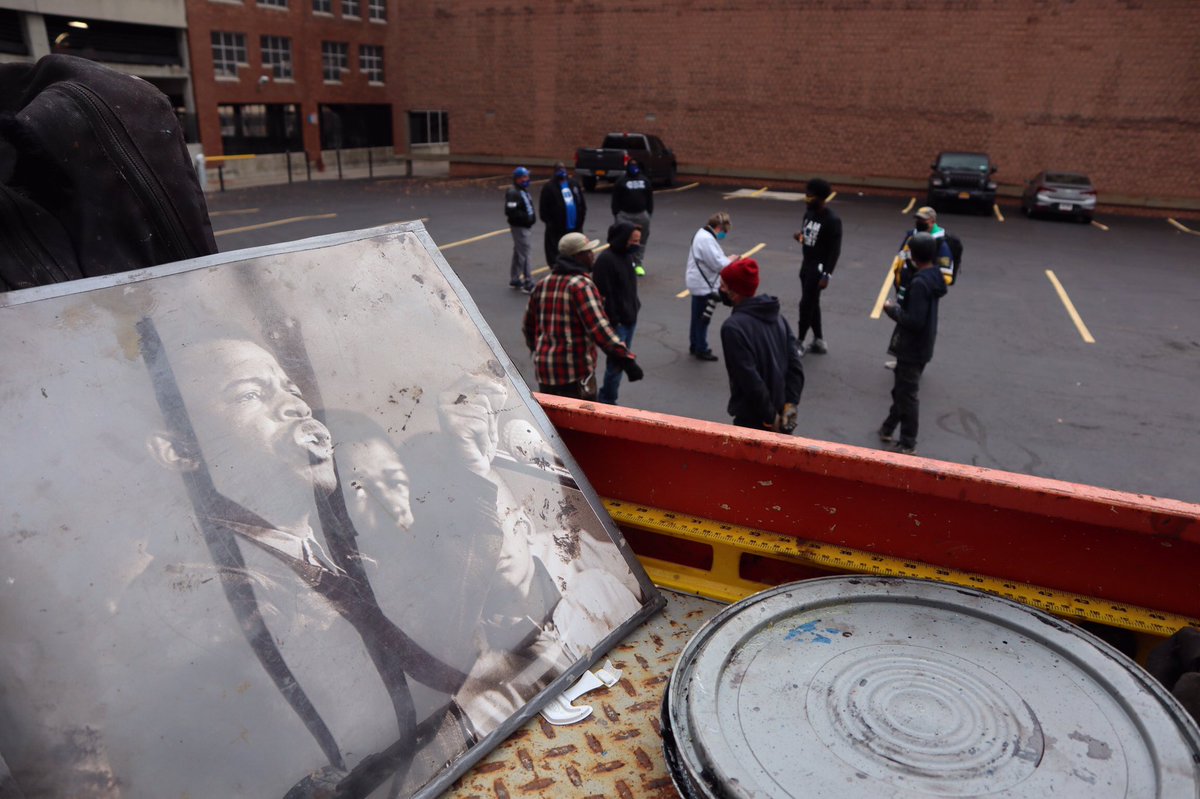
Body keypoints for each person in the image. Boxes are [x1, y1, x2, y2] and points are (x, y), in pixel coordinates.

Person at [138, 331, 518, 795]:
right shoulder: (199, 590)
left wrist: (472, 471)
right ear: (180, 450)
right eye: (251, 394)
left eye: (292, 389)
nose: (295, 407)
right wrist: (471, 483)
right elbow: (388, 698)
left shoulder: (330, 549)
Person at [522, 232, 644, 399]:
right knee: (578, 421)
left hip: (546, 372)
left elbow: (528, 325)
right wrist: (627, 360)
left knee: (552, 421)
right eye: (588, 252)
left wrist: (538, 349)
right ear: (577, 256)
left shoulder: (543, 284)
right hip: (574, 374)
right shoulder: (581, 286)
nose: (592, 255)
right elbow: (599, 329)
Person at [717, 258, 805, 432]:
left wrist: (772, 419)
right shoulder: (779, 319)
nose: (720, 289)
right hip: (781, 414)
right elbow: (795, 367)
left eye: (723, 285)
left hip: (754, 420)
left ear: (735, 292)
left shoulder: (733, 328)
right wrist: (790, 408)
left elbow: (749, 379)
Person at [878, 232, 947, 454]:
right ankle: (888, 427)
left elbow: (914, 320)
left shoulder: (919, 283)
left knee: (907, 395)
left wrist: (892, 310)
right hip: (924, 346)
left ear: (914, 255)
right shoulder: (935, 276)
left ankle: (908, 443)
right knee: (901, 390)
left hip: (912, 347)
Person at [885, 206, 955, 369]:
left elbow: (945, 276)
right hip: (907, 288)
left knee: (915, 324)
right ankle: (900, 359)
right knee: (903, 322)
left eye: (922, 219)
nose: (918, 222)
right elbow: (901, 257)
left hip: (921, 290)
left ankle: (914, 363)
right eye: (917, 219)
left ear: (932, 221)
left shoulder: (939, 243)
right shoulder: (912, 237)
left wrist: (921, 278)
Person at [592, 222, 642, 404]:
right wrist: (615, 320)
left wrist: (635, 306)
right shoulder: (606, 261)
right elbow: (604, 295)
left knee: (619, 363)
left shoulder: (628, 257)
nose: (637, 244)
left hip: (630, 318)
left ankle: (608, 395)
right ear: (623, 239)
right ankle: (608, 399)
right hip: (619, 323)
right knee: (616, 364)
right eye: (634, 240)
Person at [793, 178, 842, 355]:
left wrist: (827, 275)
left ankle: (799, 341)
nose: (806, 198)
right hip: (806, 265)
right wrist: (799, 237)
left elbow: (834, 251)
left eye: (810, 195)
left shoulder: (832, 220)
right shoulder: (808, 214)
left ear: (821, 197)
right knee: (813, 302)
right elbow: (808, 239)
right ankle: (819, 340)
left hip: (819, 268)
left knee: (806, 303)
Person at [684, 211, 735, 362]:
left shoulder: (702, 234)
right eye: (724, 231)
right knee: (703, 318)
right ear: (719, 227)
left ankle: (694, 344)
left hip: (698, 282)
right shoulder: (706, 240)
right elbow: (718, 264)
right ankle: (702, 348)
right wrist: (731, 260)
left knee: (696, 316)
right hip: (703, 285)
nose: (724, 235)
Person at [538, 161, 587, 269]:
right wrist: (551, 224)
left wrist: (580, 220)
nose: (562, 171)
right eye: (559, 169)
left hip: (575, 227)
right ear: (554, 172)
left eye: (563, 168)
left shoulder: (573, 184)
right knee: (557, 251)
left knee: (575, 249)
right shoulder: (549, 187)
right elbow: (543, 210)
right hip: (557, 230)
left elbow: (581, 204)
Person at [611, 159, 654, 275]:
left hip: (641, 215)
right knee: (622, 240)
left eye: (635, 165)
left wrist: (648, 214)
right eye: (631, 165)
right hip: (624, 215)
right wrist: (617, 214)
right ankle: (622, 264)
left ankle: (638, 264)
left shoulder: (645, 181)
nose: (633, 167)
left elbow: (650, 198)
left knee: (640, 240)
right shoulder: (621, 181)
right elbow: (615, 199)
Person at [505, 166, 537, 293]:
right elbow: (510, 211)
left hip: (525, 226)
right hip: (520, 227)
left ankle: (515, 278)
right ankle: (528, 282)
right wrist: (525, 218)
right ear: (518, 179)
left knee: (519, 252)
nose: (527, 179)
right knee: (525, 253)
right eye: (525, 177)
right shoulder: (514, 193)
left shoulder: (522, 190)